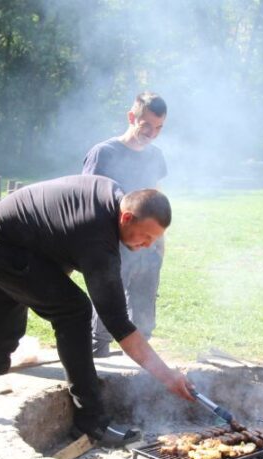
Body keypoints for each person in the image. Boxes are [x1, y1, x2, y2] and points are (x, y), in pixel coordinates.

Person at [0, 175, 194, 447]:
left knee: (2, 334)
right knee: (74, 312)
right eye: (146, 237)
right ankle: (92, 421)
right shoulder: (97, 236)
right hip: (1, 246)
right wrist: (167, 376)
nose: (147, 245)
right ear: (126, 219)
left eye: (154, 239)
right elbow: (118, 324)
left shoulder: (113, 197)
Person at [82, 91, 169, 357]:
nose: (152, 133)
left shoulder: (156, 156)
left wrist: (159, 243)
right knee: (109, 304)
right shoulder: (104, 153)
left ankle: (139, 363)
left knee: (144, 312)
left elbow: (156, 195)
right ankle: (99, 355)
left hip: (146, 245)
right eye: (147, 126)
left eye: (159, 128)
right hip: (113, 243)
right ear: (132, 117)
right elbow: (86, 200)